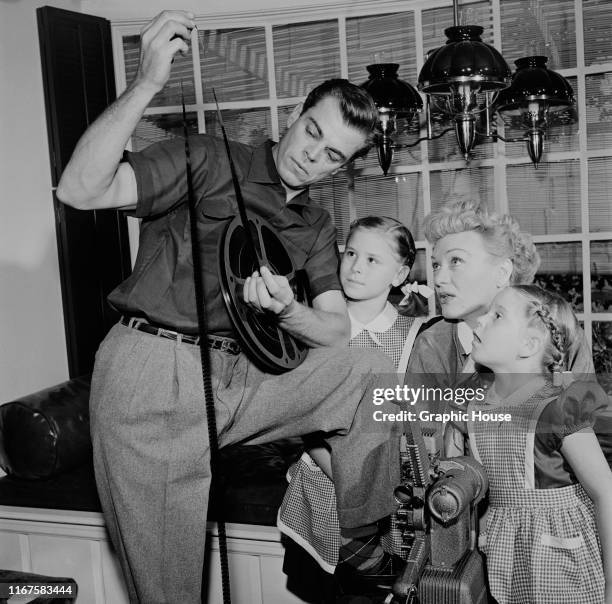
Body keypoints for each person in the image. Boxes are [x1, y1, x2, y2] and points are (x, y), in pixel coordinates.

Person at [56, 11, 405, 603]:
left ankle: (361, 536)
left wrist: (288, 308)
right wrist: (145, 84)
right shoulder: (208, 158)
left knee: (370, 372)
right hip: (155, 370)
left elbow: (334, 333)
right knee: (171, 592)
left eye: (333, 156)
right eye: (313, 133)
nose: (313, 156)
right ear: (295, 116)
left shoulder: (316, 223)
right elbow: (80, 189)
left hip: (242, 378)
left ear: (343, 169)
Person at [277, 216, 424, 601]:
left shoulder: (413, 337)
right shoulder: (313, 329)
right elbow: (299, 418)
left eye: (374, 260)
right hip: (319, 501)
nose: (356, 267)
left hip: (386, 511)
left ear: (400, 273)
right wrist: (346, 479)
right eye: (351, 253)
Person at [405, 199, 594, 453]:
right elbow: (421, 445)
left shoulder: (556, 329)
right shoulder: (433, 343)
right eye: (436, 265)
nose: (438, 279)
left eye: (456, 261)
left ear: (502, 272)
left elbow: (587, 429)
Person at [466, 284, 612, 604]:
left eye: (497, 316)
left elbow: (605, 490)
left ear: (529, 344)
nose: (480, 321)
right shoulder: (477, 410)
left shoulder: (556, 407)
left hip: (566, 565)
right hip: (507, 561)